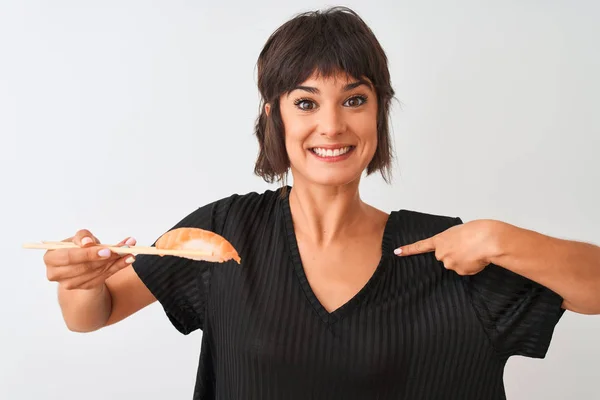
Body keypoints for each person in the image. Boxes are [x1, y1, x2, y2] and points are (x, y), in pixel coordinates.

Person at [43, 6, 600, 400]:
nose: (331, 124)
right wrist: (80, 281)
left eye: (354, 99)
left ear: (378, 112)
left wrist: (498, 238)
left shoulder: (448, 251)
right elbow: (96, 314)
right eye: (306, 102)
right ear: (274, 116)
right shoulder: (225, 234)